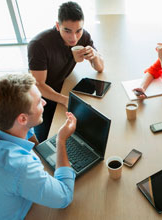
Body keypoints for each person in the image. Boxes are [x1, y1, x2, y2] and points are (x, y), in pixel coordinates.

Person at [0, 74, 77, 220]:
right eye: (38, 102)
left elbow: (27, 129)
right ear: (22, 118)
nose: (44, 102)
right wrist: (61, 140)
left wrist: (40, 147)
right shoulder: (18, 166)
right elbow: (64, 196)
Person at [28, 1, 104, 142]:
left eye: (78, 30)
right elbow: (38, 84)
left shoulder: (84, 36)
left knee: (88, 129)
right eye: (67, 31)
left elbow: (100, 68)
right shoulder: (38, 45)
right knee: (45, 139)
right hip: (41, 97)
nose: (74, 38)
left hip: (63, 87)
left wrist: (95, 55)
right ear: (58, 26)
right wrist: (64, 100)